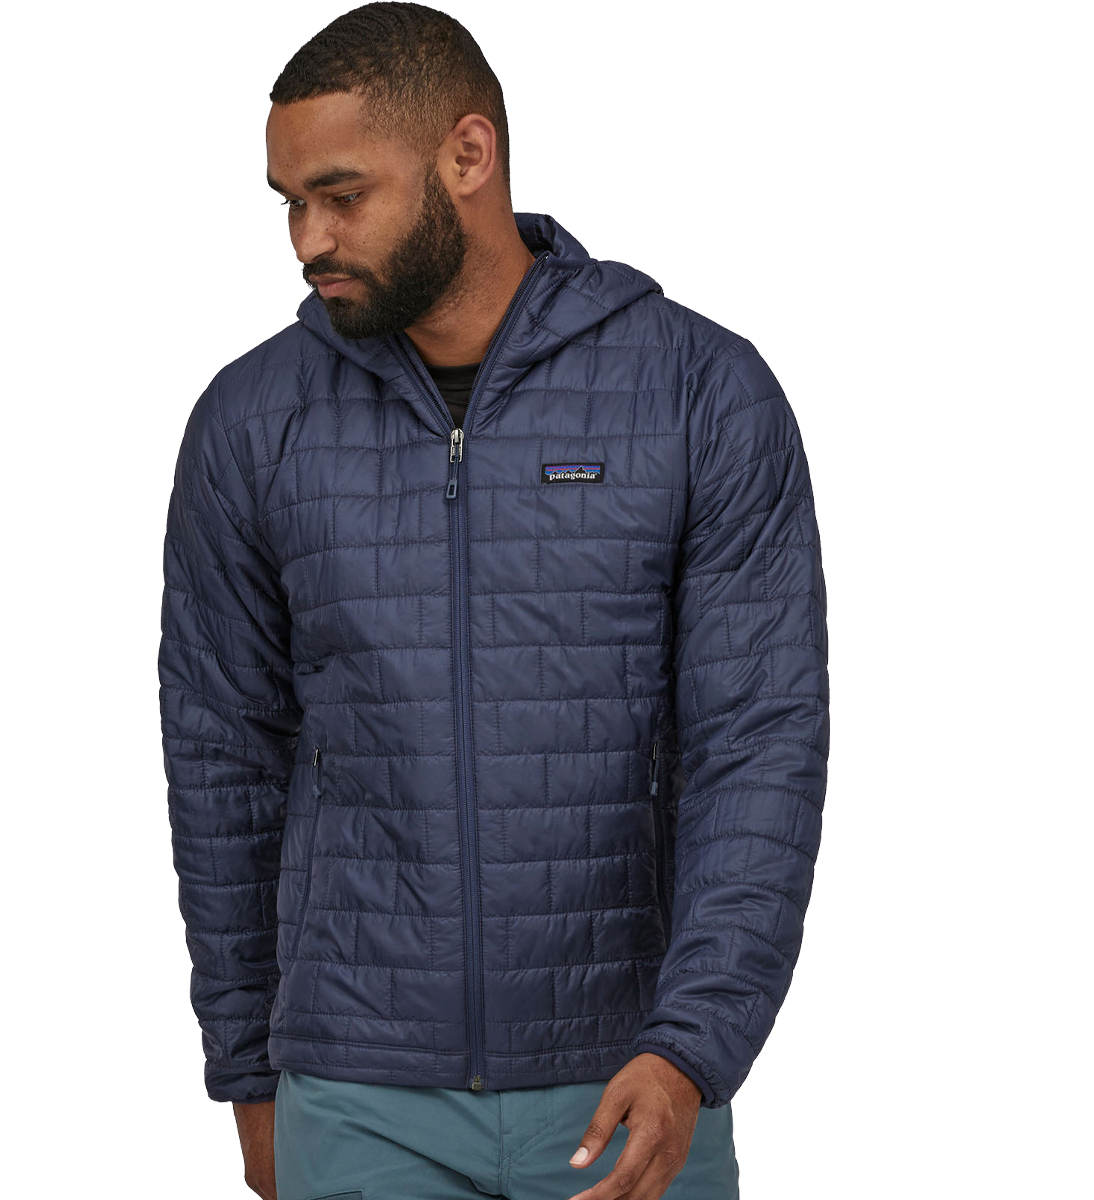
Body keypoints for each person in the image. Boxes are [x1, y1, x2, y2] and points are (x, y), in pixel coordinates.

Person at [157, 5, 828, 1200]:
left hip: (631, 1078)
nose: (308, 240)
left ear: (468, 156)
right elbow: (223, 764)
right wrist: (248, 1072)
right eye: (290, 202)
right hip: (357, 1092)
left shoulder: (699, 394)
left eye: (342, 195)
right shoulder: (252, 424)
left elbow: (759, 746)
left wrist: (693, 1044)